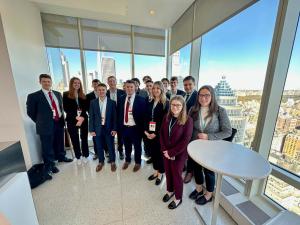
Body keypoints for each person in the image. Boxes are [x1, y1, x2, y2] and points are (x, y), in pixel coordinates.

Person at [188, 85, 231, 205]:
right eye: (201, 95)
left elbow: (228, 131)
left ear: (212, 96)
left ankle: (208, 194)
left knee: (209, 171)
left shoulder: (220, 111)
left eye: (207, 95)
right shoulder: (193, 109)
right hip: (195, 146)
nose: (203, 98)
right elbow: (189, 128)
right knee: (196, 168)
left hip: (212, 148)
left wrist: (209, 137)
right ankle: (199, 188)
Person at [26, 74, 72, 180]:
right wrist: (40, 121)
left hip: (59, 122)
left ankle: (61, 156)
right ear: (40, 82)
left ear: (51, 82)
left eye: (48, 81)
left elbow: (60, 107)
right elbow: (30, 112)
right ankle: (50, 165)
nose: (47, 83)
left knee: (59, 141)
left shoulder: (57, 94)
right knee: (47, 145)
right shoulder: (34, 96)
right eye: (44, 81)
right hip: (45, 125)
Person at [160, 95, 193, 209]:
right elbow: (161, 134)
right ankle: (170, 190)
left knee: (177, 176)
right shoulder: (166, 117)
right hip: (166, 152)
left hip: (179, 154)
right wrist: (165, 150)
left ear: (183, 106)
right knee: (168, 173)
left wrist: (171, 153)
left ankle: (178, 197)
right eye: (173, 105)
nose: (175, 107)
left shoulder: (188, 120)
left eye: (178, 105)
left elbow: (185, 140)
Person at [118, 80, 146, 172]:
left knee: (137, 146)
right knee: (126, 146)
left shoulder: (141, 99)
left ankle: (138, 162)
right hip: (124, 127)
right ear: (125, 88)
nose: (129, 89)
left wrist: (143, 129)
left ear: (135, 88)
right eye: (127, 87)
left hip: (136, 128)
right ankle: (127, 160)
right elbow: (120, 114)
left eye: (131, 87)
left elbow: (143, 116)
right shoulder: (121, 98)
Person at [145, 81, 169, 185]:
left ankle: (161, 173)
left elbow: (165, 122)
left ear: (162, 90)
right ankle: (156, 171)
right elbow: (147, 117)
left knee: (160, 155)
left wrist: (156, 133)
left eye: (158, 88)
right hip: (150, 134)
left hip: (160, 134)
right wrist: (146, 131)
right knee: (153, 154)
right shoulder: (150, 102)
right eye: (154, 88)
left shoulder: (166, 103)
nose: (155, 90)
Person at [89, 83, 117, 172]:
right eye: (99, 90)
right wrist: (91, 129)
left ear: (106, 90)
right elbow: (91, 117)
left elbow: (114, 117)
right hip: (97, 128)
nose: (101, 91)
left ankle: (112, 161)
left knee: (110, 145)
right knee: (99, 146)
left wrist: (114, 129)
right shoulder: (93, 102)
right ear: (96, 91)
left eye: (103, 90)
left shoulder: (112, 102)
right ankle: (101, 161)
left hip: (108, 128)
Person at [63, 77, 89, 165]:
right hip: (71, 120)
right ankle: (78, 156)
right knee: (75, 139)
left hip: (83, 119)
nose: (77, 84)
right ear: (71, 84)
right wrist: (76, 117)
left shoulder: (83, 95)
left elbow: (85, 108)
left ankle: (85, 155)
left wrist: (81, 117)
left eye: (78, 83)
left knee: (84, 138)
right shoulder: (66, 94)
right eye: (75, 83)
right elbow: (66, 108)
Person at [182, 75, 198, 183]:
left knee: (191, 150)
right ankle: (182, 165)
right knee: (183, 147)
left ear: (194, 84)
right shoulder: (184, 95)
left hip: (193, 128)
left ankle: (190, 171)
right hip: (182, 125)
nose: (187, 87)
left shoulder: (198, 97)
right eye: (185, 85)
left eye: (189, 85)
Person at [106, 75, 126, 160]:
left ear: (116, 82)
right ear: (108, 83)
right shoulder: (105, 93)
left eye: (113, 81)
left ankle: (120, 150)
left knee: (120, 136)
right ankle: (110, 152)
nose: (112, 83)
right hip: (109, 119)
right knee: (110, 136)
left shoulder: (122, 92)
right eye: (110, 81)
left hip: (120, 118)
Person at [86, 79, 101, 160]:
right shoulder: (88, 96)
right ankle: (97, 153)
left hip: (105, 119)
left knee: (105, 136)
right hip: (95, 120)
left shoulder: (106, 93)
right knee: (95, 138)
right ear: (92, 85)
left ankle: (106, 151)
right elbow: (88, 109)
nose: (96, 85)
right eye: (94, 84)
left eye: (97, 84)